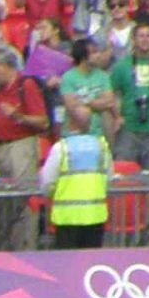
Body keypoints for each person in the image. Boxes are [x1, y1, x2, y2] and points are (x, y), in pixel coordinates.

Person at [37, 97, 111, 248]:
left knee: (67, 266)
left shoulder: (62, 148)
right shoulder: (101, 146)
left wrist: (52, 195)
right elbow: (108, 178)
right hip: (95, 216)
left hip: (67, 217)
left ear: (70, 123)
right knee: (91, 263)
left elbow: (47, 182)